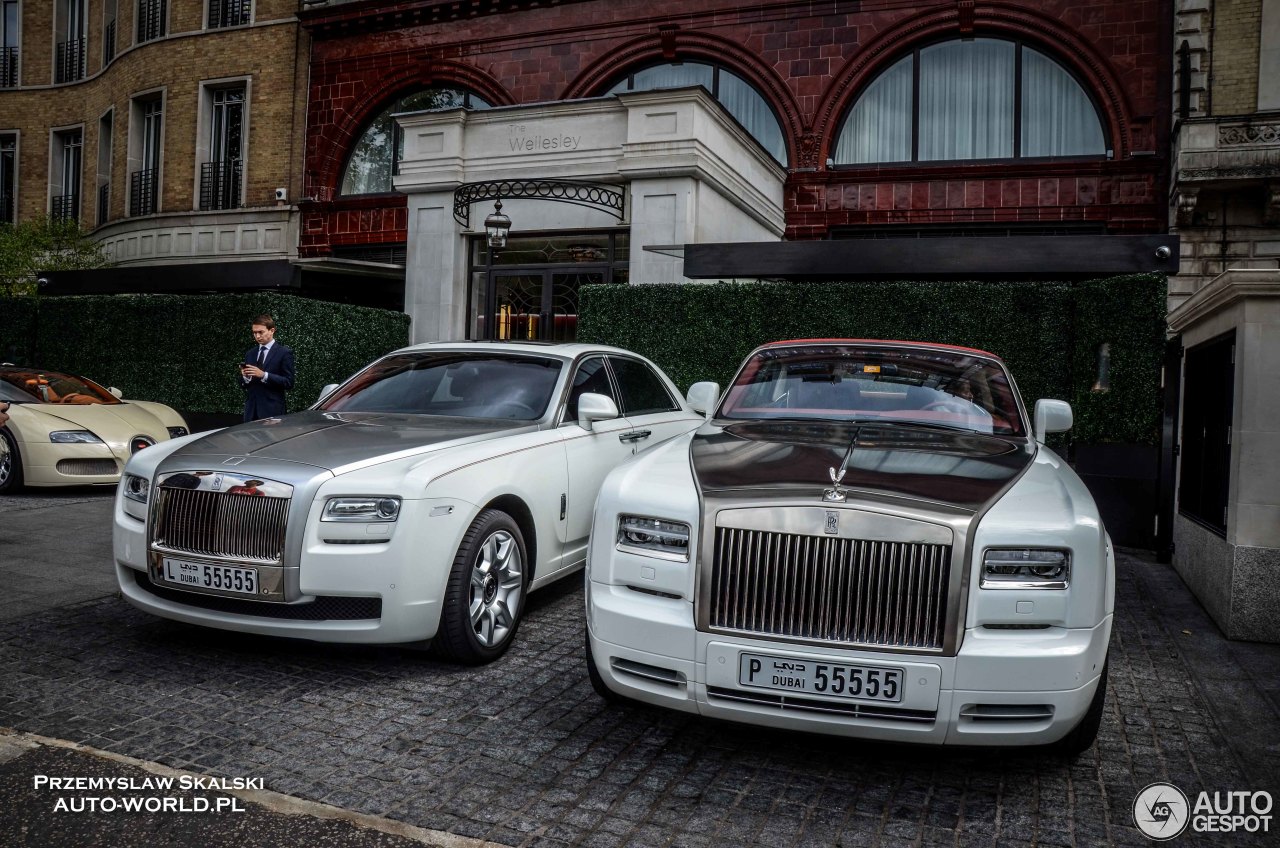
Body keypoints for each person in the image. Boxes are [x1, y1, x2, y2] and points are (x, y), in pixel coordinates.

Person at [240, 314, 295, 422]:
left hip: (272, 411)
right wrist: (246, 377)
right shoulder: (250, 353)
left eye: (261, 332)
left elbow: (289, 382)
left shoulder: (284, 353)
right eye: (254, 333)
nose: (257, 336)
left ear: (272, 330)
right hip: (251, 411)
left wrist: (264, 375)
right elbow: (243, 383)